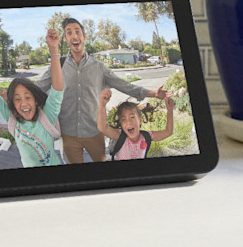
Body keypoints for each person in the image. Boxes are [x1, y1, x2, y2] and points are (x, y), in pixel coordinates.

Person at [36, 18, 168, 164]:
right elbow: (37, 87)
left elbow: (124, 85)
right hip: (68, 135)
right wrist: (11, 96)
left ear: (84, 37)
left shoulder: (99, 67)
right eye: (69, 33)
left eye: (77, 32)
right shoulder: (58, 66)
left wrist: (154, 94)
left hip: (95, 133)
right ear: (65, 38)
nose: (74, 36)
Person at [0, 29, 65, 167]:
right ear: (12, 104)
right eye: (17, 99)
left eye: (28, 97)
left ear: (36, 100)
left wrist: (53, 48)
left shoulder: (47, 116)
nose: (24, 103)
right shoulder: (13, 119)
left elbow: (57, 90)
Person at [96, 88, 175, 161]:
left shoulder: (146, 136)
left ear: (140, 120)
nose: (128, 122)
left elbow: (168, 132)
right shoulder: (119, 136)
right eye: (123, 119)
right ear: (121, 124)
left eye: (132, 117)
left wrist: (170, 111)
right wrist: (102, 104)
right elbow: (103, 128)